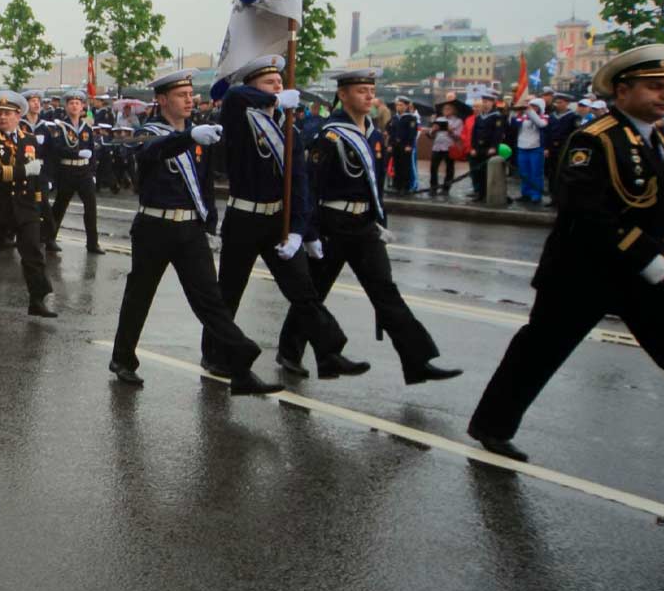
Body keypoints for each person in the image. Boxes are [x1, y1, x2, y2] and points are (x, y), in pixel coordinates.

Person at [468, 46, 664, 462]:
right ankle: (492, 426)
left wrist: (656, 262)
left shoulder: (659, 141)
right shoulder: (594, 140)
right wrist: (647, 256)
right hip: (583, 274)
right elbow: (585, 210)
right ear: (623, 92)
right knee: (539, 353)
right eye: (654, 87)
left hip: (645, 276)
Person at [280, 68, 463, 386]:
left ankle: (417, 361)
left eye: (371, 90)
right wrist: (308, 233)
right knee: (315, 291)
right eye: (361, 90)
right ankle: (290, 352)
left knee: (386, 294)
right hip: (332, 225)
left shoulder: (375, 136)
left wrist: (381, 223)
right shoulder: (330, 136)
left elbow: (376, 187)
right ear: (343, 94)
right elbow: (310, 187)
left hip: (364, 226)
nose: (368, 96)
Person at [108, 70, 282, 395]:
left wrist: (211, 226)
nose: (189, 99)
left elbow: (204, 186)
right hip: (154, 228)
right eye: (180, 95)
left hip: (189, 229)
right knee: (139, 297)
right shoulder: (148, 132)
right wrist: (189, 138)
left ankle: (240, 366)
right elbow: (152, 151)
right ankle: (123, 359)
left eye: (191, 94)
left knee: (211, 302)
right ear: (161, 100)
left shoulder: (198, 135)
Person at [211, 56, 367, 380]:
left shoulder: (289, 127)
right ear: (254, 87)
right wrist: (273, 99)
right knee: (229, 293)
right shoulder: (241, 117)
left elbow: (300, 183)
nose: (279, 85)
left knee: (303, 291)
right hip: (244, 218)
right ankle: (214, 355)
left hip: (278, 221)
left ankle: (329, 352)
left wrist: (302, 231)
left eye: (281, 82)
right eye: (270, 82)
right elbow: (234, 96)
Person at [0, 91, 55, 317]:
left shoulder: (29, 139)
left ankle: (37, 299)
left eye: (7, 114)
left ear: (18, 116)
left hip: (25, 205)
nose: (2, 117)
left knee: (33, 251)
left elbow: (36, 176)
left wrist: (39, 203)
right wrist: (22, 170)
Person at [44, 90, 104, 255]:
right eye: (71, 103)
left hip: (84, 171)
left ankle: (93, 243)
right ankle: (50, 239)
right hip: (67, 170)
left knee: (91, 208)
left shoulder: (87, 127)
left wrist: (92, 173)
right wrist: (76, 153)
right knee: (60, 206)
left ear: (83, 106)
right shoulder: (59, 126)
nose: (75, 106)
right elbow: (57, 149)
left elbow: (92, 152)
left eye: (78, 103)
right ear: (66, 106)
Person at [512, 96, 548, 205]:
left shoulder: (544, 116)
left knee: (536, 173)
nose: (532, 108)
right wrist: (514, 111)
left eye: (534, 106)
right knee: (524, 173)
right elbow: (512, 124)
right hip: (522, 148)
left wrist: (530, 112)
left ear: (540, 107)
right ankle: (526, 193)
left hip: (536, 148)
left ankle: (536, 195)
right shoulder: (523, 117)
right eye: (531, 106)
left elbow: (541, 124)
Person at [387, 96, 420, 194]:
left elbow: (412, 132)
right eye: (397, 105)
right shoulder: (394, 118)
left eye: (401, 105)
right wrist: (390, 144)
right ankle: (396, 185)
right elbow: (391, 131)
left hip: (405, 145)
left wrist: (409, 145)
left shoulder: (411, 118)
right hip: (395, 145)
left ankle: (405, 187)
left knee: (405, 166)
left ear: (406, 106)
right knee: (396, 166)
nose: (398, 107)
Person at [427, 116, 458, 197]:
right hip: (437, 147)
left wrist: (450, 131)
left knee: (449, 168)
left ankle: (446, 188)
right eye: (445, 109)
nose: (446, 110)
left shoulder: (457, 121)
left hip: (449, 147)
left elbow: (458, 136)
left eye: (449, 108)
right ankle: (433, 187)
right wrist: (433, 131)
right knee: (433, 167)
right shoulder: (439, 119)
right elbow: (430, 135)